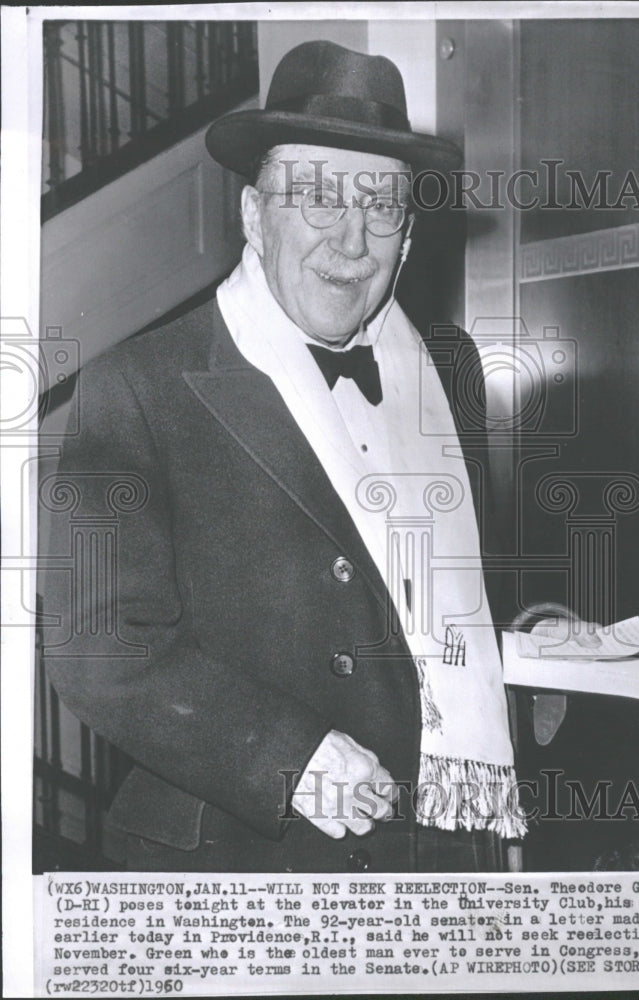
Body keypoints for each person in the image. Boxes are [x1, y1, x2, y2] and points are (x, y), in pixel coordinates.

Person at [42, 40, 588, 873]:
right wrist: (287, 757)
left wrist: (528, 640)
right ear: (256, 216)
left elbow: (433, 591)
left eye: (382, 206)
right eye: (318, 198)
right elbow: (97, 649)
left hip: (448, 850)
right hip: (250, 865)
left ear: (408, 237)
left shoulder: (453, 368)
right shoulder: (137, 386)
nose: (352, 238)